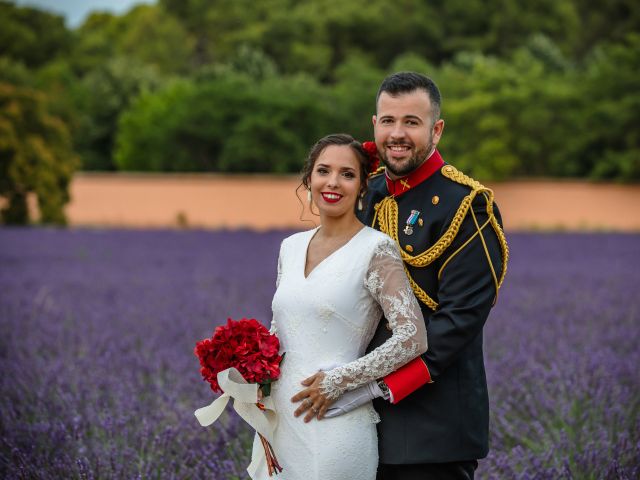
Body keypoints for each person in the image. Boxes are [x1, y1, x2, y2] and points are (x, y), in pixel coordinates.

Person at [328, 72, 509, 479]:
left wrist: (379, 386)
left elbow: (460, 318)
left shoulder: (467, 205)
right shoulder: (364, 194)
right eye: (388, 121)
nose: (398, 133)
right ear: (374, 124)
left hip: (432, 428)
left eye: (411, 122)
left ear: (436, 130)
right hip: (354, 426)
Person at [250, 133, 428, 480]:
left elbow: (412, 337)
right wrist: (254, 368)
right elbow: (281, 326)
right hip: (280, 421)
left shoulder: (377, 249)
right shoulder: (290, 246)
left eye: (347, 174)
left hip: (335, 420)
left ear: (363, 186)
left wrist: (339, 380)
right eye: (323, 171)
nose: (333, 182)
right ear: (309, 179)